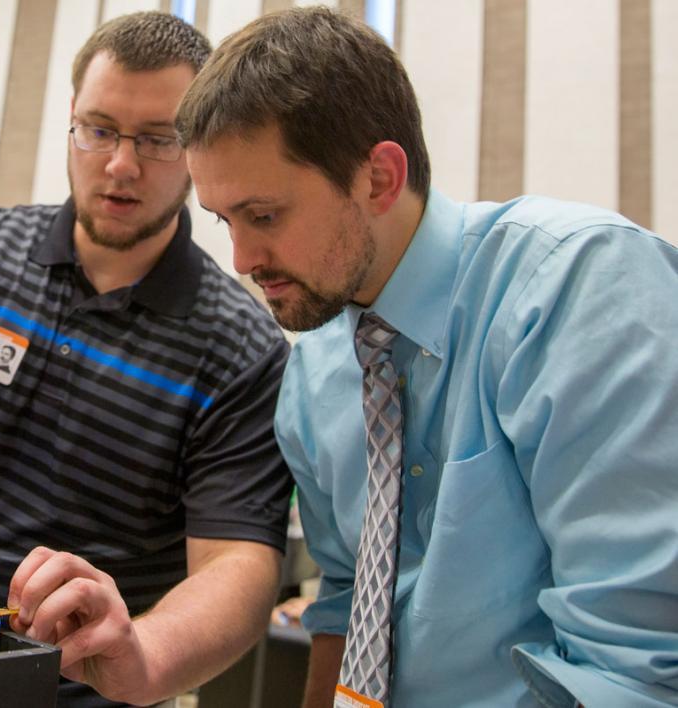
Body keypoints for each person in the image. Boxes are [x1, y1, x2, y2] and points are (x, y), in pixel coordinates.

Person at [177, 7, 678, 707]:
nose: (241, 260)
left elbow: (634, 670)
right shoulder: (316, 373)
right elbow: (347, 605)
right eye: (224, 221)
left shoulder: (574, 291)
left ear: (379, 178)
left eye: (263, 216)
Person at [0, 11, 292, 707]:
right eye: (99, 128)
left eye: (158, 139)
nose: (120, 163)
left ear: (199, 147)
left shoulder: (242, 348)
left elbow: (239, 565)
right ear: (72, 119)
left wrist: (147, 652)